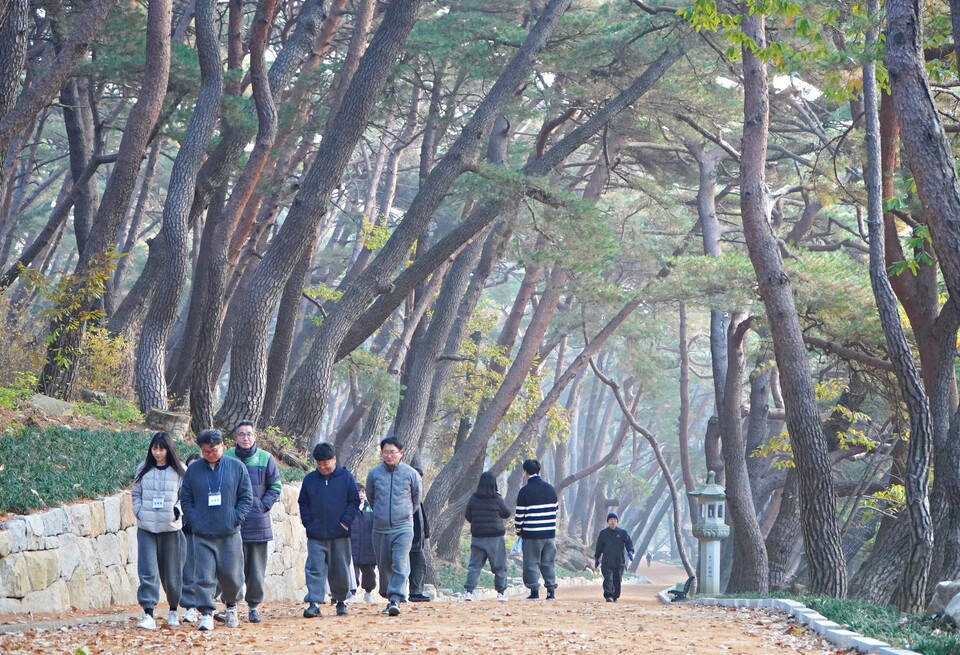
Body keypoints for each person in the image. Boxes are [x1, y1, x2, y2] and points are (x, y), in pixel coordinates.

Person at [181, 429, 253, 631]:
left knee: (232, 576)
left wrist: (235, 518)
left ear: (223, 446)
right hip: (202, 533)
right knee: (203, 575)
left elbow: (246, 498)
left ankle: (231, 606)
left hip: (229, 532)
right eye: (205, 451)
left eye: (213, 450)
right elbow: (186, 498)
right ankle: (206, 613)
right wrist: (194, 520)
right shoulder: (194, 470)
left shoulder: (237, 467)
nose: (210, 454)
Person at [225, 421, 282, 623]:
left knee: (256, 570)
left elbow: (275, 486)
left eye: (249, 434)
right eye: (242, 434)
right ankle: (230, 606)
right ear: (236, 437)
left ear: (255, 436)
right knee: (231, 568)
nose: (246, 438)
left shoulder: (266, 458)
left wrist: (262, 505)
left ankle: (253, 606)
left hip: (258, 523)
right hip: (233, 523)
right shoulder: (227, 457)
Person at [132, 431, 187, 630]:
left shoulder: (180, 469)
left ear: (168, 449)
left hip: (170, 528)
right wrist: (138, 511)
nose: (157, 452)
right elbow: (136, 494)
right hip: (146, 527)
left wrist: (177, 511)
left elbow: (186, 497)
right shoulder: (143, 469)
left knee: (173, 573)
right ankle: (148, 613)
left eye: (161, 448)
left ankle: (173, 609)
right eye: (154, 448)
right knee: (147, 571)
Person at [299, 443, 360, 618]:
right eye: (320, 464)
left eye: (327, 463)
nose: (323, 467)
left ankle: (340, 601)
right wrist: (308, 523)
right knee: (314, 568)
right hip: (316, 534)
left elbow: (354, 501)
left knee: (339, 569)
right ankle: (314, 603)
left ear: (334, 459)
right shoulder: (309, 479)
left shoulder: (346, 477)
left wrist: (346, 522)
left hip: (340, 533)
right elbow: (303, 502)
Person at [366, 437, 422, 616]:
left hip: (403, 527)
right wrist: (380, 513)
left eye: (392, 452)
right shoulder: (374, 474)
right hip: (380, 528)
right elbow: (371, 497)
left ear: (401, 453)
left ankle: (395, 598)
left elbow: (416, 499)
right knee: (384, 566)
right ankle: (388, 594)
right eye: (385, 452)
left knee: (400, 561)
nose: (389, 455)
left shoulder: (411, 474)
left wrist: (404, 514)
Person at [463, 471, 511, 602]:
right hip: (495, 538)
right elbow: (506, 513)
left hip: (477, 537)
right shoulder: (497, 498)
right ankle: (501, 593)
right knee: (499, 566)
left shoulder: (473, 498)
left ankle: (469, 592)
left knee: (474, 565)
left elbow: (467, 515)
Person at [515, 458, 558, 600]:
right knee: (548, 562)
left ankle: (534, 592)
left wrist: (519, 531)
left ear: (526, 472)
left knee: (532, 562)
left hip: (532, 533)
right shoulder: (550, 489)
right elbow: (555, 510)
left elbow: (520, 515)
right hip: (549, 533)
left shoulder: (525, 491)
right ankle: (551, 591)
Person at [179, 453, 202, 624]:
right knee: (188, 571)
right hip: (188, 531)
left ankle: (207, 604)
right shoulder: (182, 485)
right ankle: (190, 608)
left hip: (212, 531)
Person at [593, 512, 635, 602]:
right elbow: (599, 546)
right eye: (611, 520)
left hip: (619, 561)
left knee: (617, 580)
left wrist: (630, 551)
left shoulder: (622, 533)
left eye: (615, 520)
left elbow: (628, 543)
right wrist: (597, 557)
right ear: (608, 522)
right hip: (607, 562)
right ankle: (609, 595)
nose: (613, 522)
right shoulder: (603, 533)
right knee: (608, 578)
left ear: (617, 522)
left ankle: (615, 596)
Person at [349, 483, 377, 603]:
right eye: (359, 492)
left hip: (369, 547)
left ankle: (368, 593)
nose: (361, 495)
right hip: (353, 546)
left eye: (363, 492)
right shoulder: (349, 509)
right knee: (352, 572)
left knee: (369, 574)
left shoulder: (371, 508)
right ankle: (352, 594)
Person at [408, 466, 431, 602]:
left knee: (420, 564)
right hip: (409, 538)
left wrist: (426, 532)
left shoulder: (418, 496)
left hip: (419, 539)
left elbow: (422, 518)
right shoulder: (407, 496)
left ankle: (416, 592)